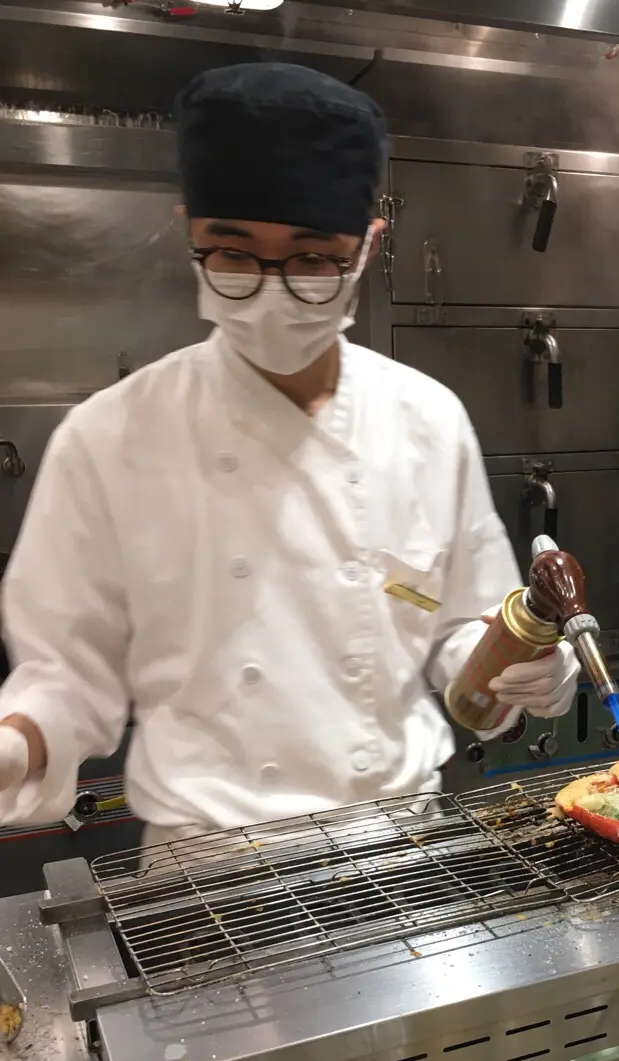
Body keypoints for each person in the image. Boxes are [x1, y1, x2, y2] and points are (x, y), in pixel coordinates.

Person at [0, 63, 579, 848]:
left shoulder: (426, 422)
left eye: (312, 259)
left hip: (399, 849)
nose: (272, 287)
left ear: (367, 249)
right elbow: (68, 676)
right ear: (189, 234)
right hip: (205, 858)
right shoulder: (110, 438)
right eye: (233, 254)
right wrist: (17, 743)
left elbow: (461, 630)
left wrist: (520, 665)